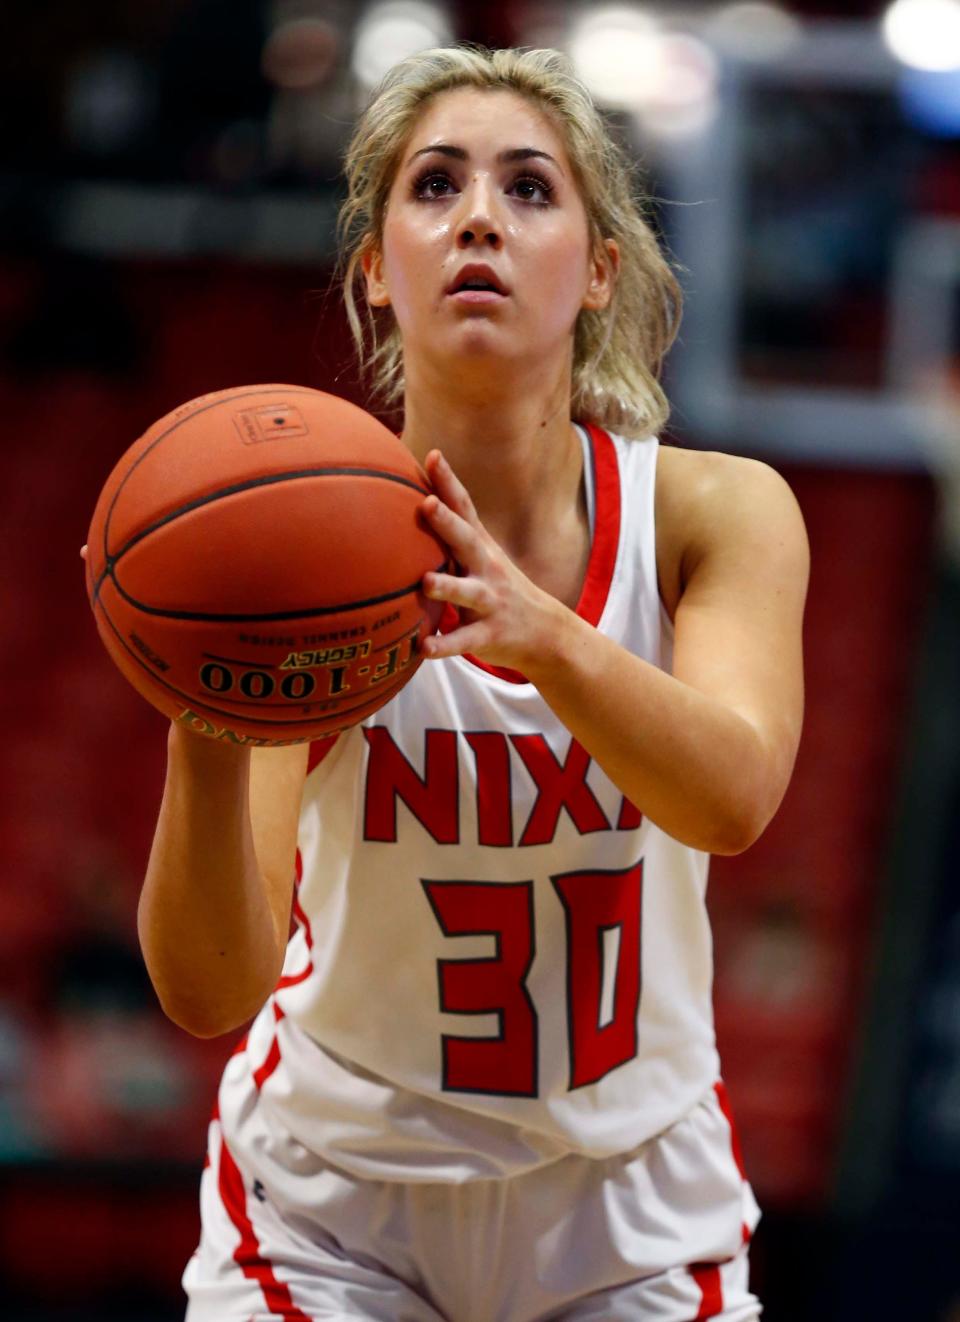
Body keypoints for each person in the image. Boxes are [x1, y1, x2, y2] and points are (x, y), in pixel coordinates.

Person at [140, 46, 808, 1321]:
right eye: (435, 186)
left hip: (628, 1200)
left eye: (530, 189)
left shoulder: (710, 514)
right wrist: (207, 724)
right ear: (375, 275)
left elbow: (733, 797)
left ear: (599, 268)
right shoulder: (302, 564)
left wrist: (545, 634)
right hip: (335, 1202)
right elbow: (209, 990)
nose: (482, 218)